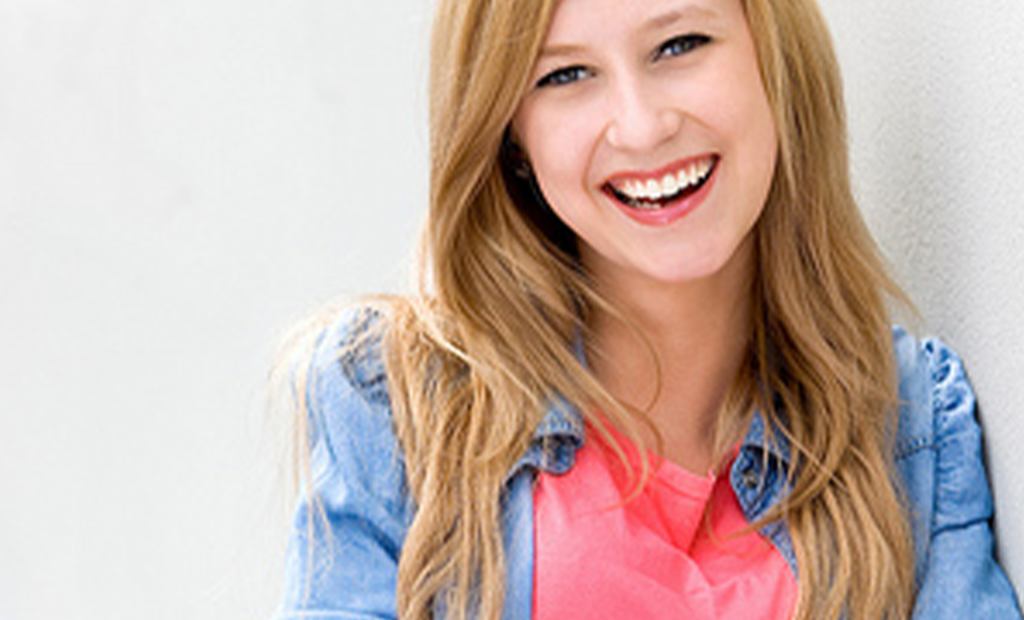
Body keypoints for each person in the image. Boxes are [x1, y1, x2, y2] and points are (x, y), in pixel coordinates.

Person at [274, 0, 1023, 618]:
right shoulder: (394, 405)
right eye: (566, 74)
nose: (640, 126)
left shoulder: (911, 425)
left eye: (680, 44)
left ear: (775, 60)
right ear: (513, 138)